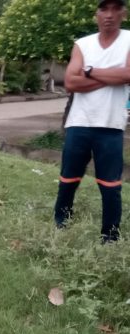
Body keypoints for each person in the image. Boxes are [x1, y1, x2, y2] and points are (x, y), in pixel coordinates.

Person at [54, 0, 130, 242]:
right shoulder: (82, 44)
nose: (109, 15)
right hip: (79, 123)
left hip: (111, 126)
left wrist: (88, 71)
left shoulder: (128, 40)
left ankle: (110, 236)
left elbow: (128, 74)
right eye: (103, 9)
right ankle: (60, 223)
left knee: (110, 185)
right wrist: (112, 76)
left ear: (123, 13)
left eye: (115, 9)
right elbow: (70, 82)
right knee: (68, 179)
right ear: (96, 14)